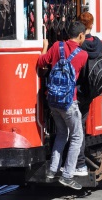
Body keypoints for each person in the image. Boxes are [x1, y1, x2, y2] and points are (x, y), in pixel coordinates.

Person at [37, 21, 88, 190]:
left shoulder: (56, 46)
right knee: (76, 137)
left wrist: (45, 46)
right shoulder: (82, 55)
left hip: (53, 101)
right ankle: (67, 175)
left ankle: (52, 170)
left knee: (61, 134)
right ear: (80, 35)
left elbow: (40, 62)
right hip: (69, 102)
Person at [75, 11, 102, 176]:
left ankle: (78, 163)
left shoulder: (79, 45)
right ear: (92, 25)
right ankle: (78, 162)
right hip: (91, 90)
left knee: (75, 128)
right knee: (80, 125)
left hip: (78, 91)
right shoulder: (99, 44)